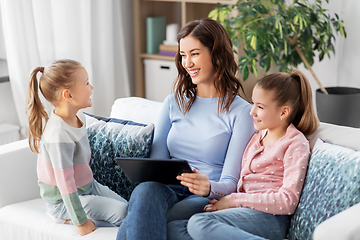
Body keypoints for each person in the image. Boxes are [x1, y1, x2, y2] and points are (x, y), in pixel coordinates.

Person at [116, 18, 255, 240]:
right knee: (145, 191)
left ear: (216, 54)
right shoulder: (173, 103)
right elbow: (155, 167)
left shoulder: (242, 112)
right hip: (166, 189)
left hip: (202, 197)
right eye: (183, 55)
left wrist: (208, 186)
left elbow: (231, 183)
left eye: (195, 53)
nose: (187, 63)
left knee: (142, 214)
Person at [167, 69, 319, 240]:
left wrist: (233, 200)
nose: (251, 112)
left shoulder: (295, 143)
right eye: (253, 103)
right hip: (241, 212)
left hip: (271, 218)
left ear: (283, 112)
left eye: (260, 107)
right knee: (173, 228)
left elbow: (288, 201)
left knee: (199, 224)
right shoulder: (256, 137)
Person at [27, 59, 127, 236]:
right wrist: (81, 223)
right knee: (123, 213)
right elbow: (66, 184)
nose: (92, 88)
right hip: (63, 202)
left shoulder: (75, 118)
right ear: (68, 95)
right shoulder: (58, 134)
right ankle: (65, 217)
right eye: (86, 83)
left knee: (130, 205)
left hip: (87, 186)